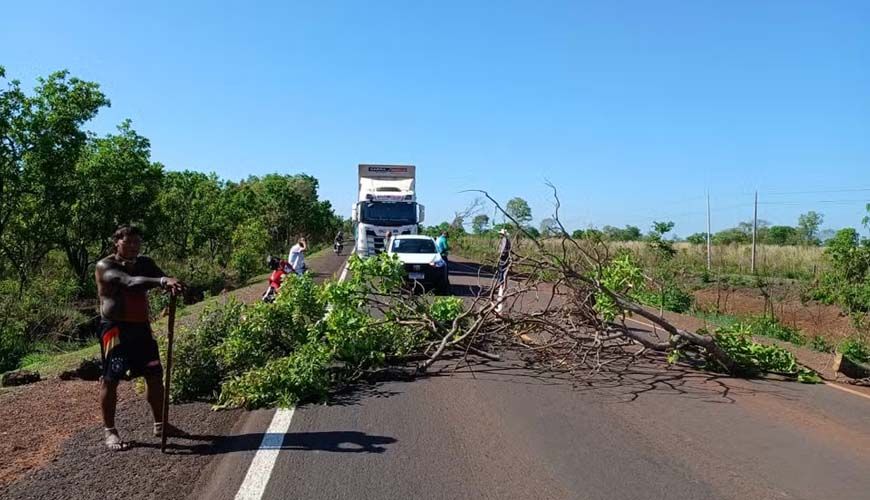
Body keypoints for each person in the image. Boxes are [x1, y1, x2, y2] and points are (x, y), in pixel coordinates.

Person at [94, 225, 184, 451]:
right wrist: (162, 282)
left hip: (141, 328)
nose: (133, 246)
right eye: (128, 242)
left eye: (137, 242)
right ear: (117, 242)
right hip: (115, 330)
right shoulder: (105, 266)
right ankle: (110, 432)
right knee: (111, 378)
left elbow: (161, 277)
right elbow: (130, 282)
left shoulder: (145, 262)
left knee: (154, 374)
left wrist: (172, 285)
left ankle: (161, 424)